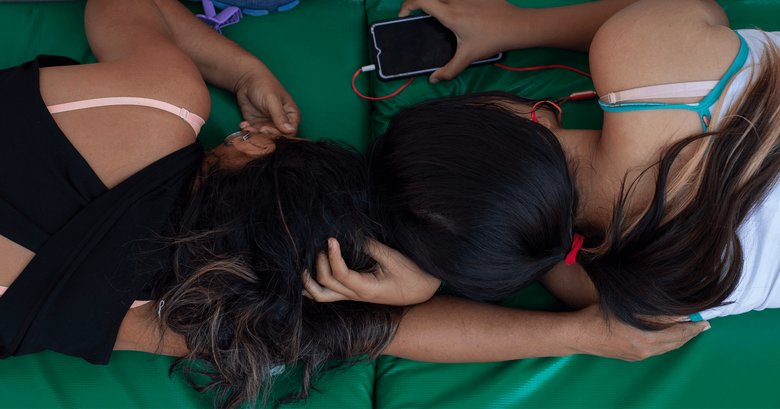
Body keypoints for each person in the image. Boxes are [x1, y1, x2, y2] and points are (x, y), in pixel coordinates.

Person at [0, 0, 707, 408]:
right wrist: (577, 334)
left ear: (254, 143)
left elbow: (120, 6)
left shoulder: (157, 106)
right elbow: (389, 335)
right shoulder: (177, 317)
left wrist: (240, 66)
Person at [307, 0, 780, 331]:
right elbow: (707, 12)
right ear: (516, 114)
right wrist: (517, 25)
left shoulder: (630, 293)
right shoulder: (639, 58)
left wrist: (438, 266)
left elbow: (532, 252)